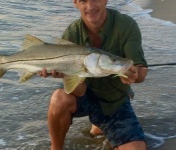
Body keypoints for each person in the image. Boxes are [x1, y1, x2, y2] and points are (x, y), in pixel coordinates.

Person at [39, 0, 148, 149]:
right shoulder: (71, 34)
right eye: (83, 1)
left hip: (114, 102)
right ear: (75, 3)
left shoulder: (126, 25)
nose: (90, 6)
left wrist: (135, 75)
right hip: (84, 96)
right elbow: (79, 90)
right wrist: (64, 75)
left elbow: (140, 71)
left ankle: (100, 124)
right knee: (59, 98)